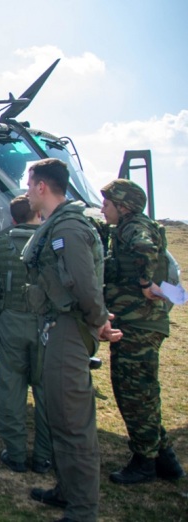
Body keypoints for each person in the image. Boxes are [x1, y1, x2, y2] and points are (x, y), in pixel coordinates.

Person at [22, 158, 122, 521]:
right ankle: (67, 490)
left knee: (74, 423)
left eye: (29, 184)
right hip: (56, 327)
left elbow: (84, 284)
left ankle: (83, 508)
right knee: (60, 417)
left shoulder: (70, 228)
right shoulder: (57, 226)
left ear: (42, 187)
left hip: (68, 330)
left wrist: (99, 322)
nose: (27, 191)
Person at [99, 179, 184, 484]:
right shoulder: (129, 227)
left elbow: (144, 247)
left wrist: (146, 284)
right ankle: (166, 459)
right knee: (143, 393)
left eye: (107, 204)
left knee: (134, 394)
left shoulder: (134, 227)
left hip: (139, 323)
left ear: (123, 207)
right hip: (140, 322)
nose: (103, 209)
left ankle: (144, 462)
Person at [0, 195, 52, 474]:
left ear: (12, 219)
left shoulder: (0, 245)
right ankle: (45, 456)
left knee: (11, 388)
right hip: (47, 325)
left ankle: (15, 454)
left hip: (11, 321)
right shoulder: (51, 243)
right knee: (46, 390)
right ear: (39, 214)